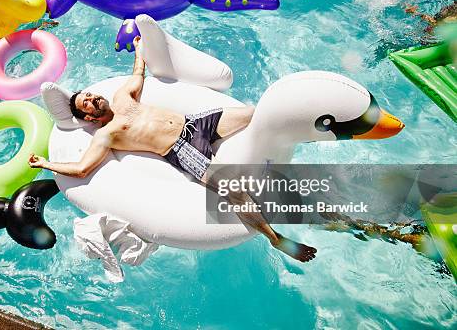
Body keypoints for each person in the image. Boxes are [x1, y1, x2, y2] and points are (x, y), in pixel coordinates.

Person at [29, 36, 317, 262]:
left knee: (260, 112)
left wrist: (139, 49)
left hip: (196, 123)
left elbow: (138, 74)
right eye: (87, 104)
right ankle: (275, 238)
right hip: (182, 149)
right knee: (233, 191)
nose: (92, 98)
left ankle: (313, 130)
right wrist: (45, 163)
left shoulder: (122, 98)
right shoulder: (107, 134)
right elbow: (81, 169)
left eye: (90, 95)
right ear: (89, 118)